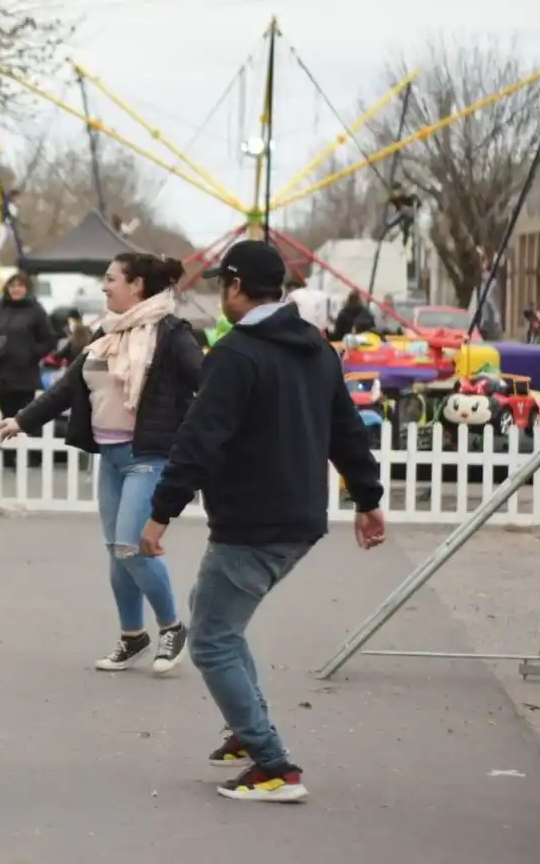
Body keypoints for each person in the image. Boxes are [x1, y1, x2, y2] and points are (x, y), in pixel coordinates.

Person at [140, 240, 386, 804]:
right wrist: (368, 499)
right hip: (299, 517)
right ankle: (246, 731)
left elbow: (198, 439)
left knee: (211, 641)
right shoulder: (318, 350)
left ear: (234, 286)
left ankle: (274, 765)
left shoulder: (236, 353)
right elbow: (346, 430)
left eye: (222, 286)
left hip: (253, 519)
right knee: (219, 621)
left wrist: (161, 513)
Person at [0, 254, 202, 673]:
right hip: (109, 458)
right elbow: (67, 388)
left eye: (110, 280)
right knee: (116, 551)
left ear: (137, 285)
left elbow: (207, 384)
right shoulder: (104, 335)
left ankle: (173, 627)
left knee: (131, 546)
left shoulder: (172, 334)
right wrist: (22, 420)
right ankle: (132, 637)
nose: (103, 287)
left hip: (148, 456)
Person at [0, 272, 54, 424]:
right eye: (12, 286)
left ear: (27, 288)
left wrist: (31, 353)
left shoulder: (36, 311)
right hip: (0, 375)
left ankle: (22, 447)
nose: (16, 289)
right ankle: (8, 448)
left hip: (24, 377)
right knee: (4, 418)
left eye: (20, 286)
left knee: (22, 420)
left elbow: (50, 340)